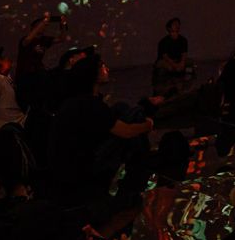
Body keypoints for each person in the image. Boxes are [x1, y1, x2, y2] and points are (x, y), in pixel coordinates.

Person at [44, 57, 155, 204]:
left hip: (72, 163)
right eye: (102, 66)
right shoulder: (89, 104)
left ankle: (138, 172)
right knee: (135, 118)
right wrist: (148, 125)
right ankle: (136, 179)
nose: (107, 69)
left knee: (123, 109)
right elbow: (126, 131)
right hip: (81, 168)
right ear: (93, 75)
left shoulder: (77, 101)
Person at [154, 19, 190, 89]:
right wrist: (175, 65)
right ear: (169, 28)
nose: (177, 26)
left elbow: (184, 54)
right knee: (169, 68)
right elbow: (165, 57)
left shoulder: (183, 40)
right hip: (165, 61)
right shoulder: (164, 42)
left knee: (190, 64)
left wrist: (182, 63)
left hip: (177, 60)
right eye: (174, 24)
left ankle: (184, 84)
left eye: (178, 24)